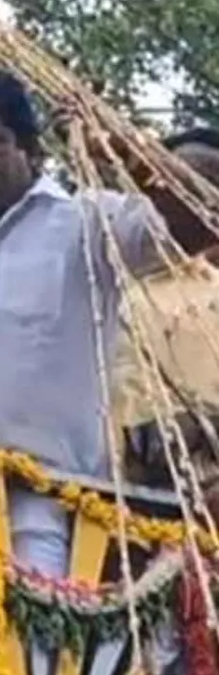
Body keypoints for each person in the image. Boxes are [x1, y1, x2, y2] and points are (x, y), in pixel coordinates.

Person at [0, 70, 178, 575]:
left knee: (33, 653)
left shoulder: (87, 224)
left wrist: (118, 153)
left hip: (45, 505)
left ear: (32, 151)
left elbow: (189, 225)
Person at [113, 127, 219, 502]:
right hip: (96, 498)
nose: (187, 196)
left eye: (208, 182)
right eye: (171, 179)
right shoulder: (97, 276)